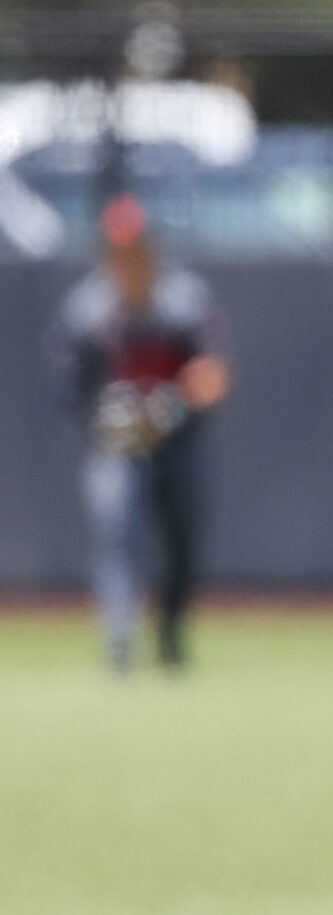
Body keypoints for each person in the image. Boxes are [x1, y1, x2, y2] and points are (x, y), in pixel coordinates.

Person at [49, 195, 229, 674]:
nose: (128, 254)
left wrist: (171, 405)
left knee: (183, 541)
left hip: (178, 441)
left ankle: (170, 635)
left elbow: (211, 376)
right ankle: (120, 644)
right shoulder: (87, 308)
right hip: (118, 447)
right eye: (118, 246)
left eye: (136, 245)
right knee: (117, 534)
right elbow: (72, 390)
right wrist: (114, 417)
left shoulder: (184, 299)